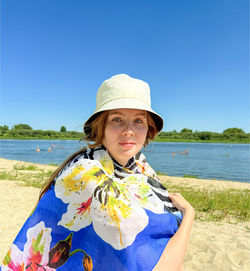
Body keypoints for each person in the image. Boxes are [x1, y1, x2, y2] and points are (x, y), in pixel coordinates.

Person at [1, 74, 194, 271]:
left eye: (138, 121)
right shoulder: (87, 176)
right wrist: (188, 215)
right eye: (117, 119)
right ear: (100, 127)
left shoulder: (140, 167)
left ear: (148, 128)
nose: (129, 130)